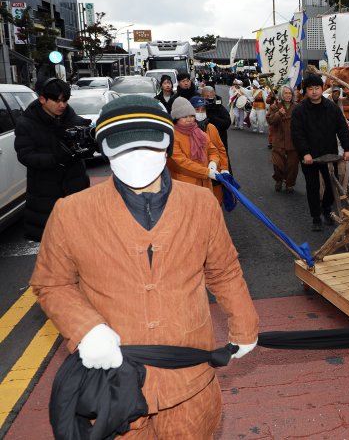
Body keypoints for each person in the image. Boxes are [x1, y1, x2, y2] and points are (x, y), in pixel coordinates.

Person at [29, 95, 259, 437]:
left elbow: (223, 270)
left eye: (148, 145)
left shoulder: (200, 204)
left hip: (189, 376)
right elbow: (52, 283)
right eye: (123, 147)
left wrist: (244, 323)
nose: (136, 156)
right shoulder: (71, 212)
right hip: (114, 382)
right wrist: (86, 328)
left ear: (166, 143)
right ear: (104, 150)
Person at [14, 78, 90, 241]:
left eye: (65, 100)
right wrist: (56, 159)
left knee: (81, 241)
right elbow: (25, 155)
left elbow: (83, 147)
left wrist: (87, 146)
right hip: (45, 192)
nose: (62, 105)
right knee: (53, 245)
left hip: (75, 187)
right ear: (42, 99)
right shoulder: (26, 124)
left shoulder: (73, 119)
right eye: (57, 100)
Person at [291, 74, 349, 231]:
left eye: (317, 88)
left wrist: (347, 148)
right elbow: (297, 134)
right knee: (313, 186)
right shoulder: (299, 110)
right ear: (305, 91)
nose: (314, 92)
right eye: (310, 89)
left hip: (329, 154)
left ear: (322, 88)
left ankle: (326, 208)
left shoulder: (331, 107)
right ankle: (316, 217)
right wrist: (305, 153)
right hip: (309, 157)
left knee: (333, 184)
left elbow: (342, 128)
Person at [167, 97, 222, 194]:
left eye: (191, 116)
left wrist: (213, 163)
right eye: (184, 117)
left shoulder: (199, 133)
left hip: (205, 184)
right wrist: (207, 172)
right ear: (176, 118)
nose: (189, 120)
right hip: (185, 186)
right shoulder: (172, 136)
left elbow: (213, 150)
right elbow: (180, 164)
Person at [191, 96, 230, 204]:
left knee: (216, 204)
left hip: (215, 175)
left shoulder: (211, 128)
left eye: (203, 110)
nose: (201, 112)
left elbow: (221, 149)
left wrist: (224, 168)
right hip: (197, 177)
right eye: (197, 110)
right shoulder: (187, 130)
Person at [267, 85, 298, 193]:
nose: (288, 95)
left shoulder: (296, 107)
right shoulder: (275, 106)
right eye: (285, 93)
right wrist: (279, 114)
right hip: (278, 140)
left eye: (290, 93)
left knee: (292, 165)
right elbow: (270, 121)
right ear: (281, 94)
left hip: (293, 140)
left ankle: (289, 184)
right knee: (278, 164)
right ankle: (278, 179)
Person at [201, 86, 231, 153]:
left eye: (211, 95)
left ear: (214, 95)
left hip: (220, 140)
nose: (209, 98)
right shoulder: (199, 107)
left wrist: (211, 117)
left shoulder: (220, 107)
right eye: (207, 96)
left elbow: (227, 123)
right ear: (202, 96)